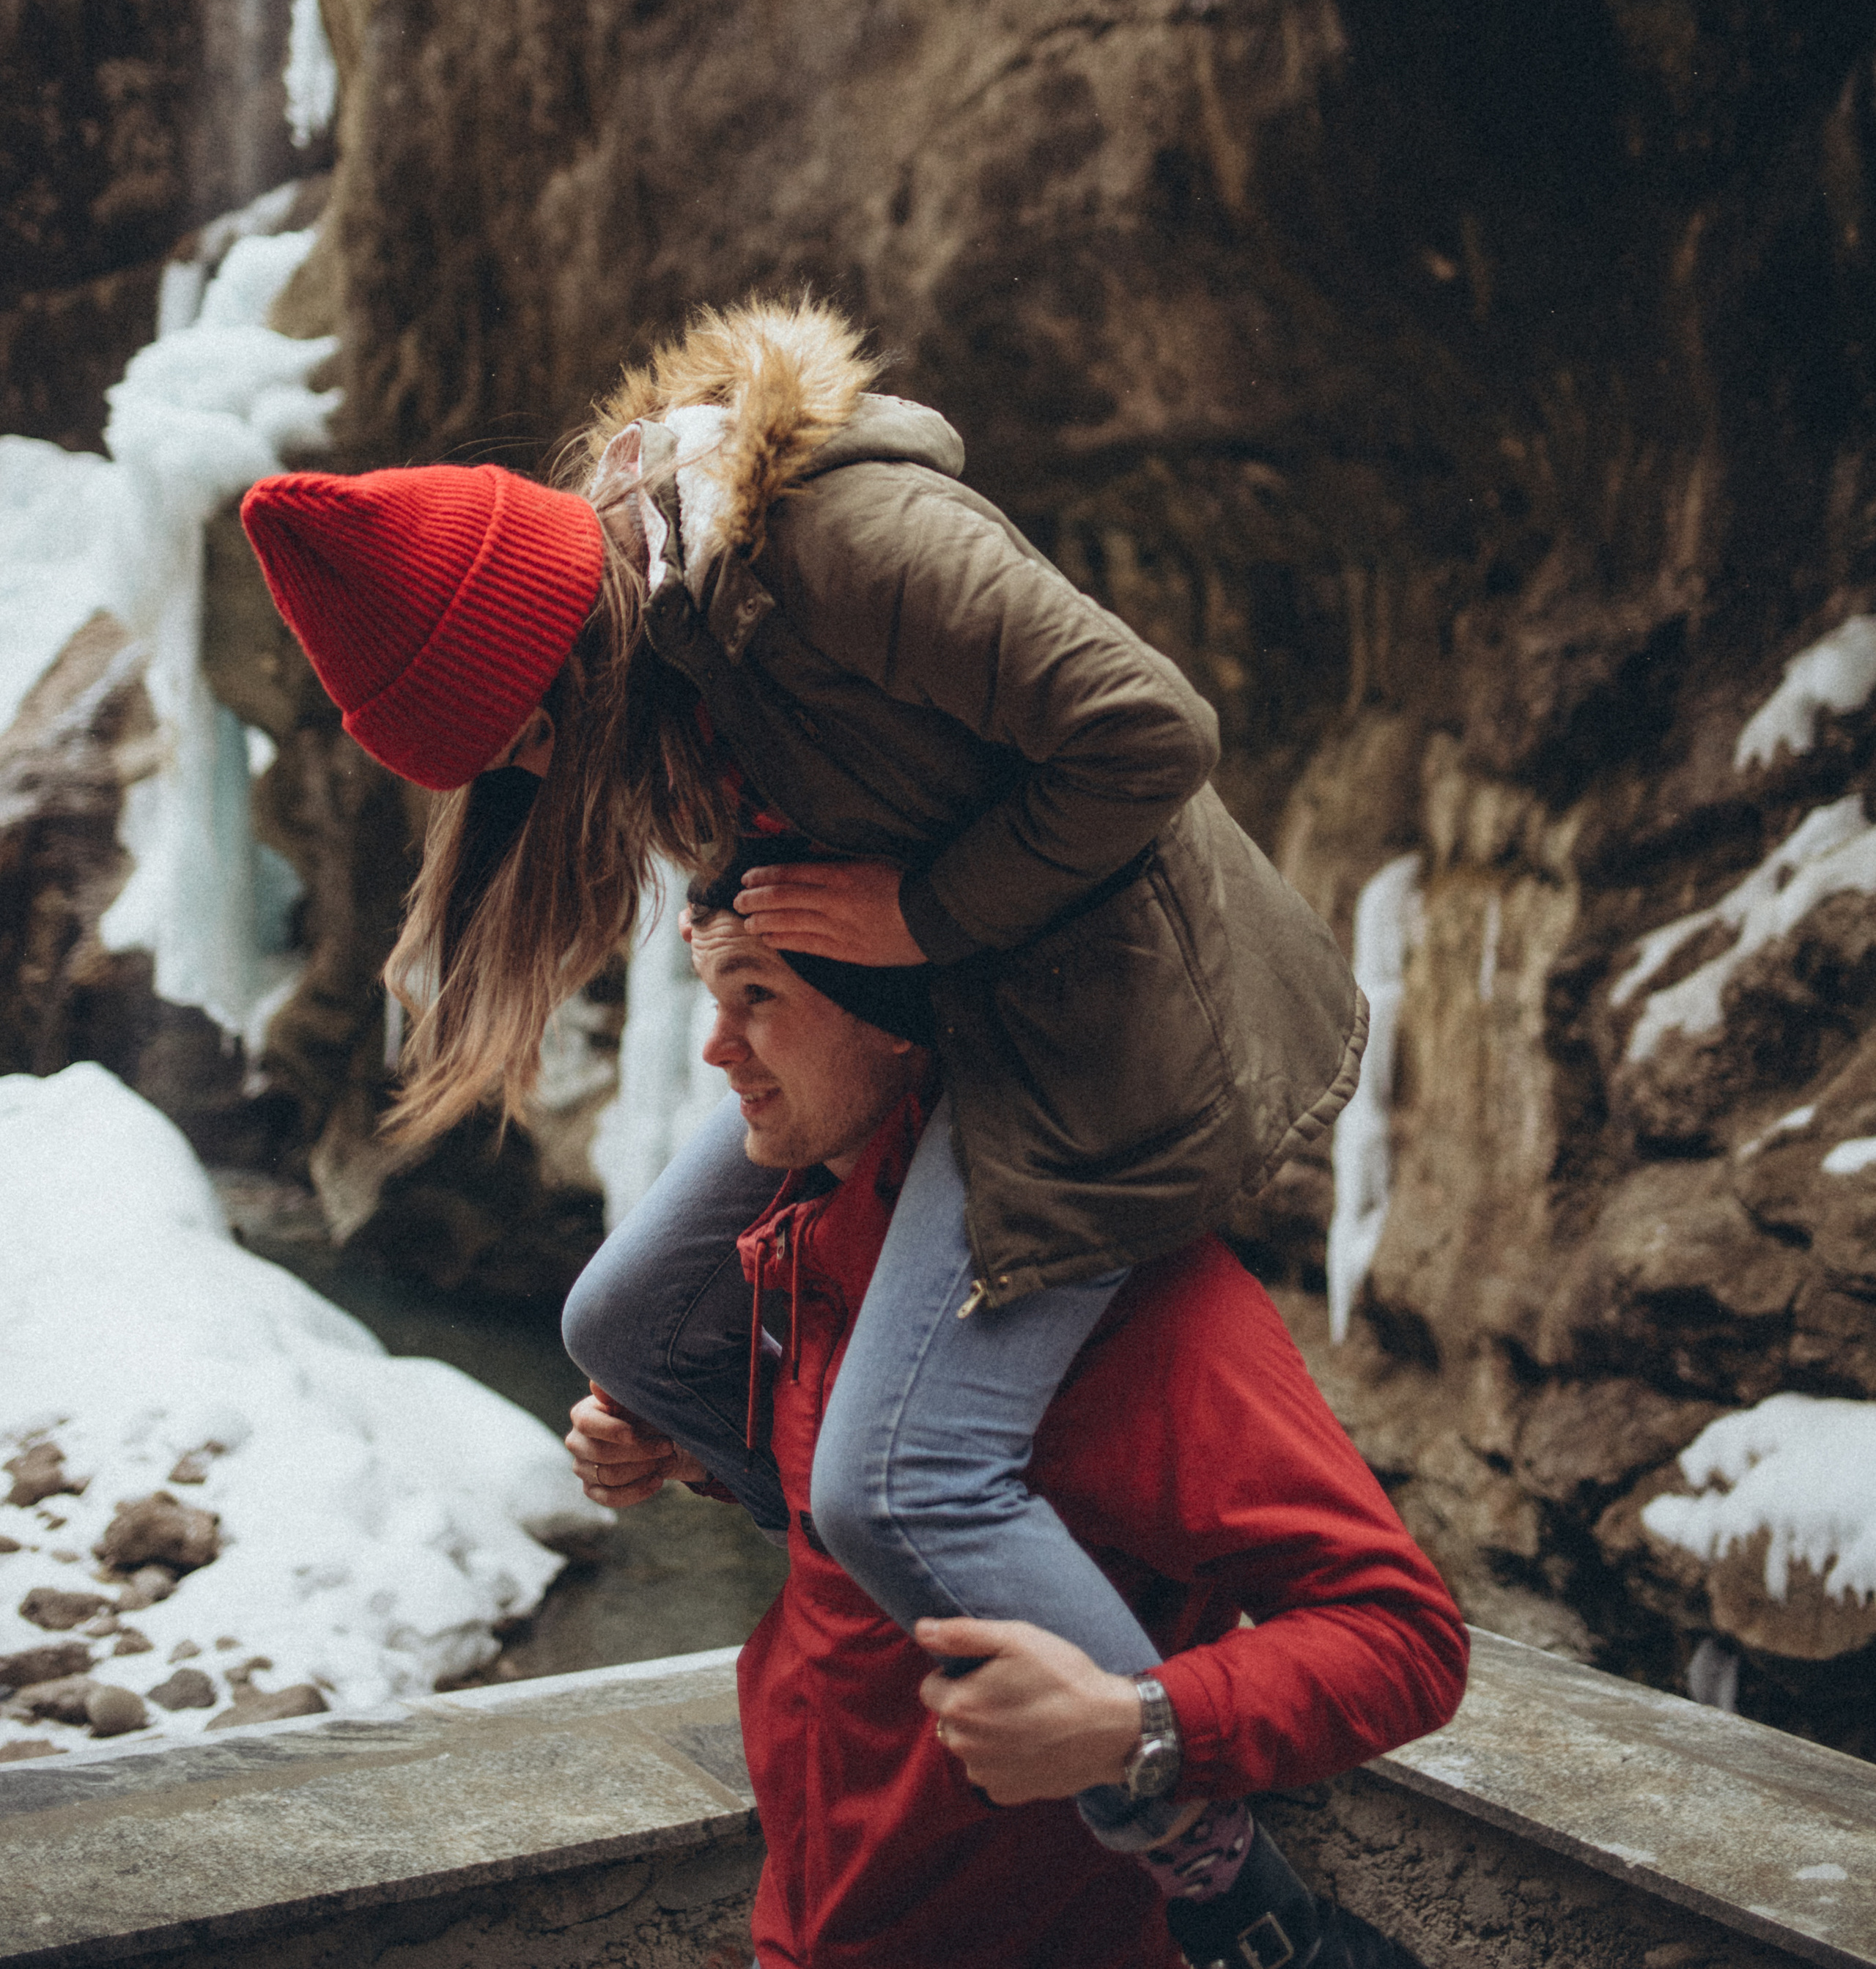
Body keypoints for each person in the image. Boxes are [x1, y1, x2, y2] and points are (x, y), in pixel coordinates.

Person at [240, 294, 1367, 1963]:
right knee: (621, 1321)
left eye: (531, 733)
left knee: (900, 1469)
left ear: (564, 638)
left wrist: (916, 911)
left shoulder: (848, 545)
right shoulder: (660, 647)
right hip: (945, 1020)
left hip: (1103, 1036)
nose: (543, 774)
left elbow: (1154, 734)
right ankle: (913, 1569)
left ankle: (1227, 1886)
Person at [566, 902, 1468, 1969]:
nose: (716, 1050)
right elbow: (846, 1559)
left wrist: (1136, 1725)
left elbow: (1405, 1638)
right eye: (712, 997)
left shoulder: (1155, 1315)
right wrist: (698, 1455)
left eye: (758, 997)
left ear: (897, 1015)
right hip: (812, 1933)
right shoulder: (816, 1240)